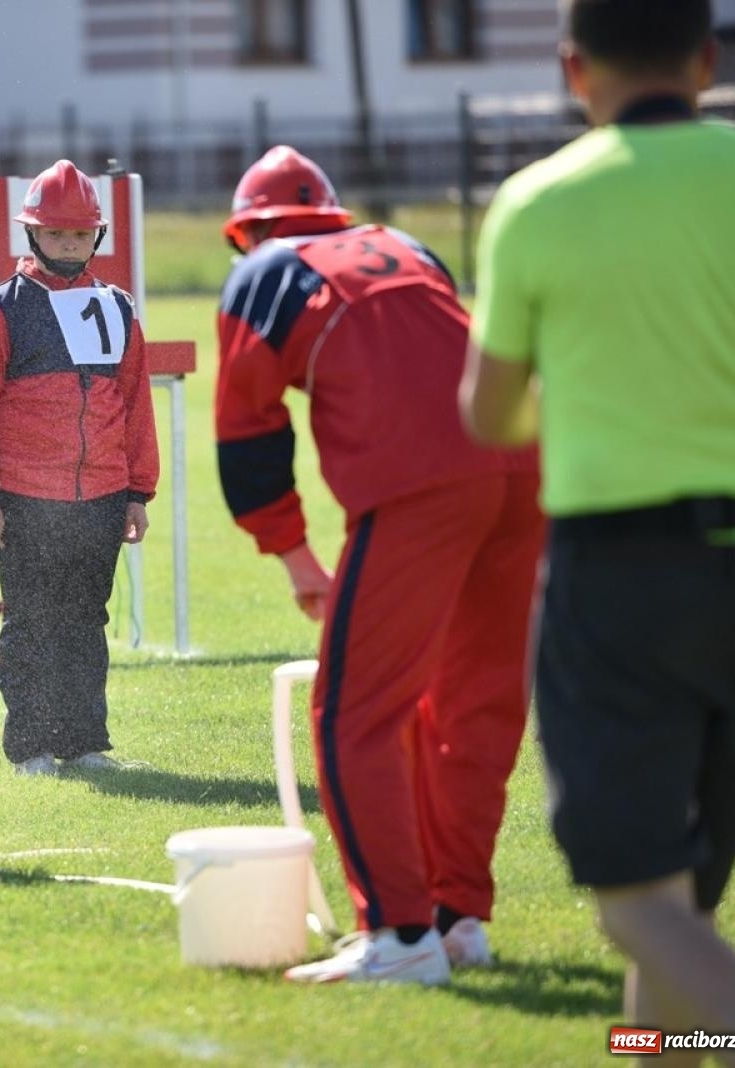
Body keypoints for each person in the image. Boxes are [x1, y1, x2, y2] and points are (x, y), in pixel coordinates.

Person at [461, 0, 735, 1043]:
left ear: (570, 69)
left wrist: (589, 388)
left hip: (621, 578)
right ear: (701, 62)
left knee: (637, 902)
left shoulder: (537, 202)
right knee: (679, 907)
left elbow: (487, 412)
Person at [215, 146, 543, 984]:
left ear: (247, 230)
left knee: (352, 714)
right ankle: (456, 918)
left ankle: (400, 938)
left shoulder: (264, 271)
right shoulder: (406, 246)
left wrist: (291, 555)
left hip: (423, 486)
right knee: (472, 710)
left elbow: (248, 433)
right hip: (524, 465)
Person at [0, 159, 159, 776]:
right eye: (55, 234)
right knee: (31, 623)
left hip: (100, 497)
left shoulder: (117, 307)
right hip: (23, 497)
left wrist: (137, 492)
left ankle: (84, 742)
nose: (67, 245)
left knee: (85, 622)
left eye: (78, 235)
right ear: (31, 236)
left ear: (95, 237)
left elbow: (136, 403)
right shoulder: (0, 309)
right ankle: (31, 747)